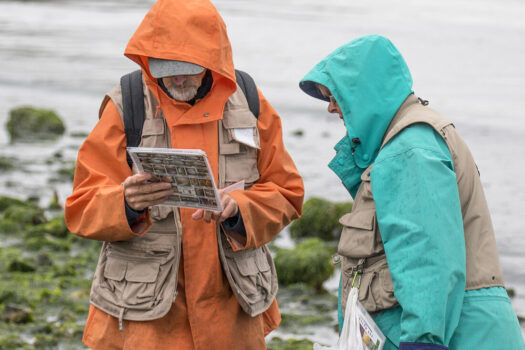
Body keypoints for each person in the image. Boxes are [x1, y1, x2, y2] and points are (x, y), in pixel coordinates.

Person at [64, 0, 304, 349]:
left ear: (213, 61)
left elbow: (287, 192)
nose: (176, 76)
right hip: (146, 320)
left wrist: (240, 208)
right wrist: (126, 203)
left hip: (231, 314)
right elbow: (81, 206)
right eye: (165, 66)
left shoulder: (250, 102)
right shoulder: (126, 104)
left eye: (187, 67)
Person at [299, 35, 524, 350]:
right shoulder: (408, 139)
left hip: (460, 337)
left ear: (363, 93)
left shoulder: (408, 149)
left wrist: (421, 342)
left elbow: (427, 258)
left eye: (334, 96)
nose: (330, 108)